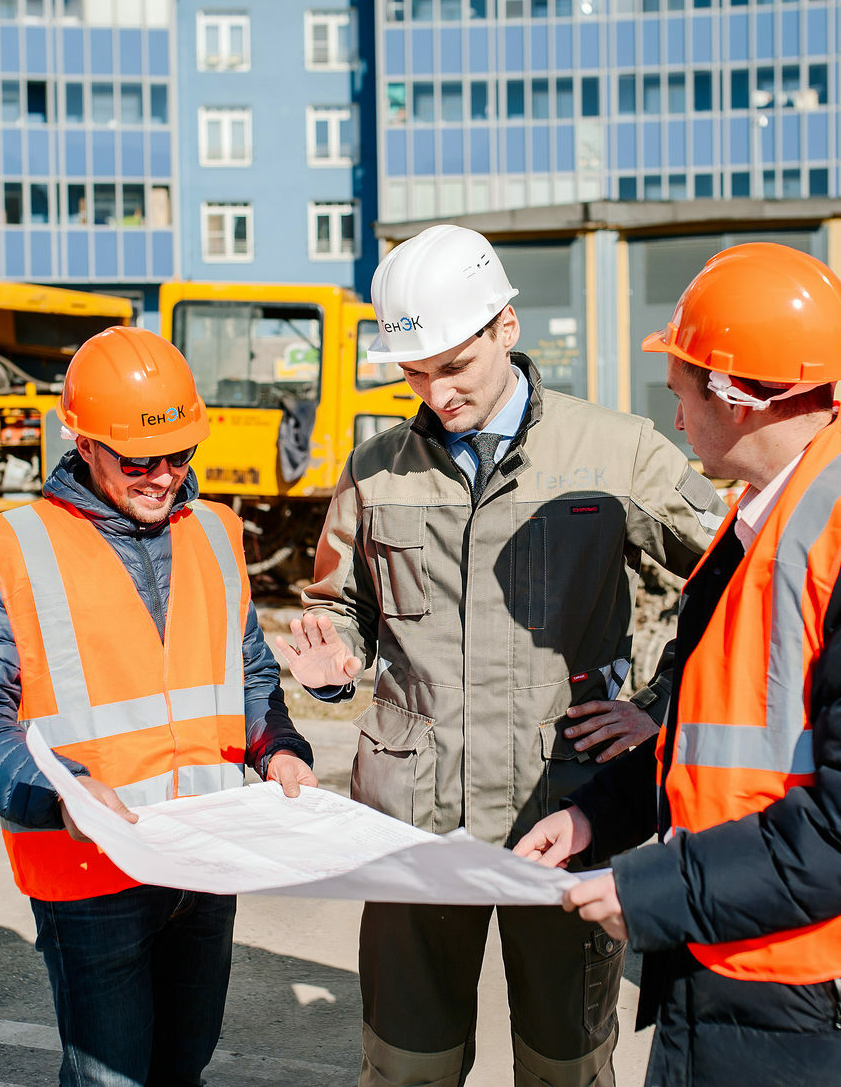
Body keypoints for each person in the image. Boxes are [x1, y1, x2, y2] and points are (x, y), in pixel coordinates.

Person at [516, 242, 841, 1086]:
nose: (674, 407)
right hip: (771, 983)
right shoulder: (773, 519)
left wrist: (655, 888)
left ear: (738, 398)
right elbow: (722, 740)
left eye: (685, 385)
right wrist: (598, 818)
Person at [275, 224, 725, 1086]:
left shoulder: (616, 453)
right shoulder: (375, 472)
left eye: (454, 366)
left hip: (561, 813)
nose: (436, 392)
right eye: (415, 373)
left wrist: (660, 703)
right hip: (413, 825)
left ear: (504, 329)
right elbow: (341, 609)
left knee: (565, 1068)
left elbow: (734, 579)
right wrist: (336, 669)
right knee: (409, 1067)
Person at [0, 326, 317, 1087]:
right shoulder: (22, 548)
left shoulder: (215, 533)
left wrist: (278, 746)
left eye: (180, 455)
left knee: (185, 1064)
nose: (163, 476)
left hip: (203, 864)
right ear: (81, 441)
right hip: (90, 871)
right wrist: (61, 792)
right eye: (140, 459)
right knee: (112, 1079)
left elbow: (247, 672)